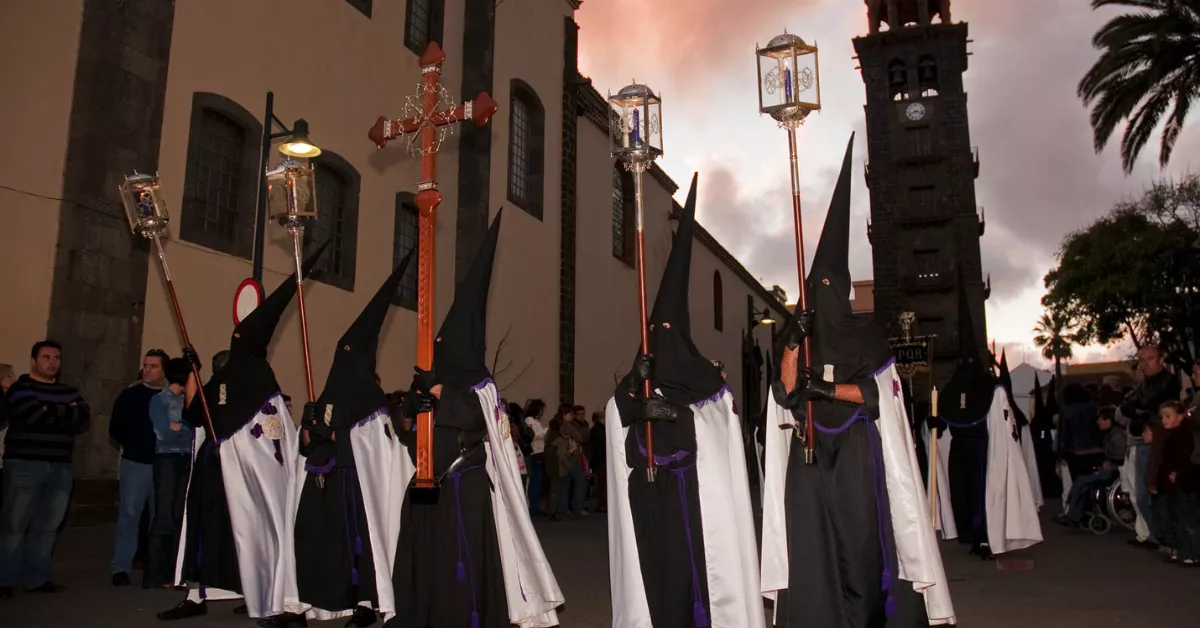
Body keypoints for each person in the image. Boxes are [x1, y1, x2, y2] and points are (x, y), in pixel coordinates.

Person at [760, 137, 953, 627]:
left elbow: (878, 396)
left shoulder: (867, 338)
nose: (821, 298)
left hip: (855, 452)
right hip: (809, 452)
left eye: (828, 289)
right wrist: (790, 341)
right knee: (815, 549)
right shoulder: (801, 337)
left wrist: (824, 390)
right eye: (815, 289)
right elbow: (784, 393)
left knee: (859, 545)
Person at [390, 210, 562, 628]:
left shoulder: (480, 385)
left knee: (458, 558)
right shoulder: (434, 379)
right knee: (422, 555)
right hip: (427, 483)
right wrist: (408, 412)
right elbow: (406, 434)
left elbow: (477, 418)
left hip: (463, 484)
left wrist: (438, 393)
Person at [606, 174, 763, 628]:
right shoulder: (642, 370)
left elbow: (719, 428)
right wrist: (633, 398)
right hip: (647, 496)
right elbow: (615, 416)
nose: (662, 341)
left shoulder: (705, 381)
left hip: (691, 497)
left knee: (693, 584)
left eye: (669, 334)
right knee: (655, 583)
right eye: (657, 334)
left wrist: (676, 414)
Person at [158, 243, 326, 623]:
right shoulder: (224, 377)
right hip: (213, 472)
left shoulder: (262, 386)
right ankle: (197, 594)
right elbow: (198, 417)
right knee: (206, 530)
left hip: (248, 479)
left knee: (257, 528)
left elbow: (269, 444)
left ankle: (266, 593)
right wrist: (193, 372)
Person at [291, 251, 416, 626]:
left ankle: (364, 603)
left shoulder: (372, 400)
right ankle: (303, 602)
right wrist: (306, 427)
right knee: (313, 544)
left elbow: (378, 446)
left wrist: (329, 433)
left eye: (348, 354)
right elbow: (307, 444)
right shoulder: (327, 393)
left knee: (357, 546)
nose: (341, 360)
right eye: (339, 353)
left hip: (354, 488)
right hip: (320, 486)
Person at [938, 278, 1041, 561]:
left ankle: (985, 536)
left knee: (985, 496)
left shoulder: (992, 390)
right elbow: (944, 420)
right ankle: (970, 535)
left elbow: (1002, 423)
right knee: (963, 494)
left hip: (984, 451)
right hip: (960, 452)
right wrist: (934, 424)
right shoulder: (951, 389)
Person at [0, 341, 90, 599]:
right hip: (24, 464)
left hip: (60, 465)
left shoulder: (69, 389)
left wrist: (47, 410)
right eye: (46, 357)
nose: (52, 362)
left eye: (57, 358)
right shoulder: (20, 388)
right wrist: (63, 413)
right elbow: (30, 416)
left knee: (48, 524)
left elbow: (82, 418)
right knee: (15, 523)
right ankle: (5, 579)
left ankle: (37, 578)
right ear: (33, 360)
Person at [109, 348, 170, 587]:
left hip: (164, 465)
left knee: (160, 518)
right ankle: (121, 567)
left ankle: (157, 567)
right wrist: (135, 444)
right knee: (129, 516)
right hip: (135, 463)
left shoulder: (171, 397)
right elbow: (116, 427)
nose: (148, 369)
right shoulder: (130, 396)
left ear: (164, 370)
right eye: (146, 365)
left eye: (154, 366)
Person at [1121, 346, 1179, 549]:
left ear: (1161, 359)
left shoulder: (1167, 381)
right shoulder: (1145, 382)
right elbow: (1127, 405)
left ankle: (1162, 536)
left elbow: (1146, 402)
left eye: (1150, 359)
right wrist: (1138, 409)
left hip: (1155, 439)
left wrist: (1140, 411)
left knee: (1150, 490)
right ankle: (1156, 534)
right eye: (1141, 360)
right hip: (1142, 438)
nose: (1145, 364)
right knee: (1142, 492)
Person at [145, 357, 195, 589]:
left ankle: (174, 574)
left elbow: (195, 431)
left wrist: (181, 427)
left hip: (185, 458)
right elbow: (164, 433)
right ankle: (155, 574)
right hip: (166, 459)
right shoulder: (158, 400)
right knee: (164, 516)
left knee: (179, 517)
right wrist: (184, 429)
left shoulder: (189, 401)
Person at [1146, 401, 1197, 565]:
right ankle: (1181, 551)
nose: (1164, 420)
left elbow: (1185, 458)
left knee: (1186, 520)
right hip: (1170, 484)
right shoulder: (1170, 435)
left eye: (1168, 416)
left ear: (1180, 417)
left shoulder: (1184, 435)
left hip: (1182, 483)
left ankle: (1192, 553)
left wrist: (1176, 473)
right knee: (1174, 518)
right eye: (1163, 417)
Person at [1057, 405, 1126, 526]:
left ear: (1108, 420)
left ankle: (1072, 515)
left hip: (1114, 472)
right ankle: (1076, 514)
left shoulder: (1117, 436)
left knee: (1081, 480)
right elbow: (1103, 450)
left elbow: (1122, 458)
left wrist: (1109, 463)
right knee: (1084, 482)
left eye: (1100, 419)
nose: (1098, 421)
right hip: (1109, 469)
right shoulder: (1111, 434)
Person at [523, 400, 547, 516]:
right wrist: (545, 431)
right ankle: (533, 507)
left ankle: (535, 505)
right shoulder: (529, 421)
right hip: (534, 453)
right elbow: (533, 435)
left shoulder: (536, 421)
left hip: (540, 452)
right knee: (534, 481)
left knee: (538, 481)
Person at [589, 410, 606, 514]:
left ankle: (601, 504)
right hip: (601, 460)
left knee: (601, 484)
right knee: (601, 484)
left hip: (599, 460)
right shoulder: (600, 431)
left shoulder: (596, 429)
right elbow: (598, 448)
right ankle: (601, 505)